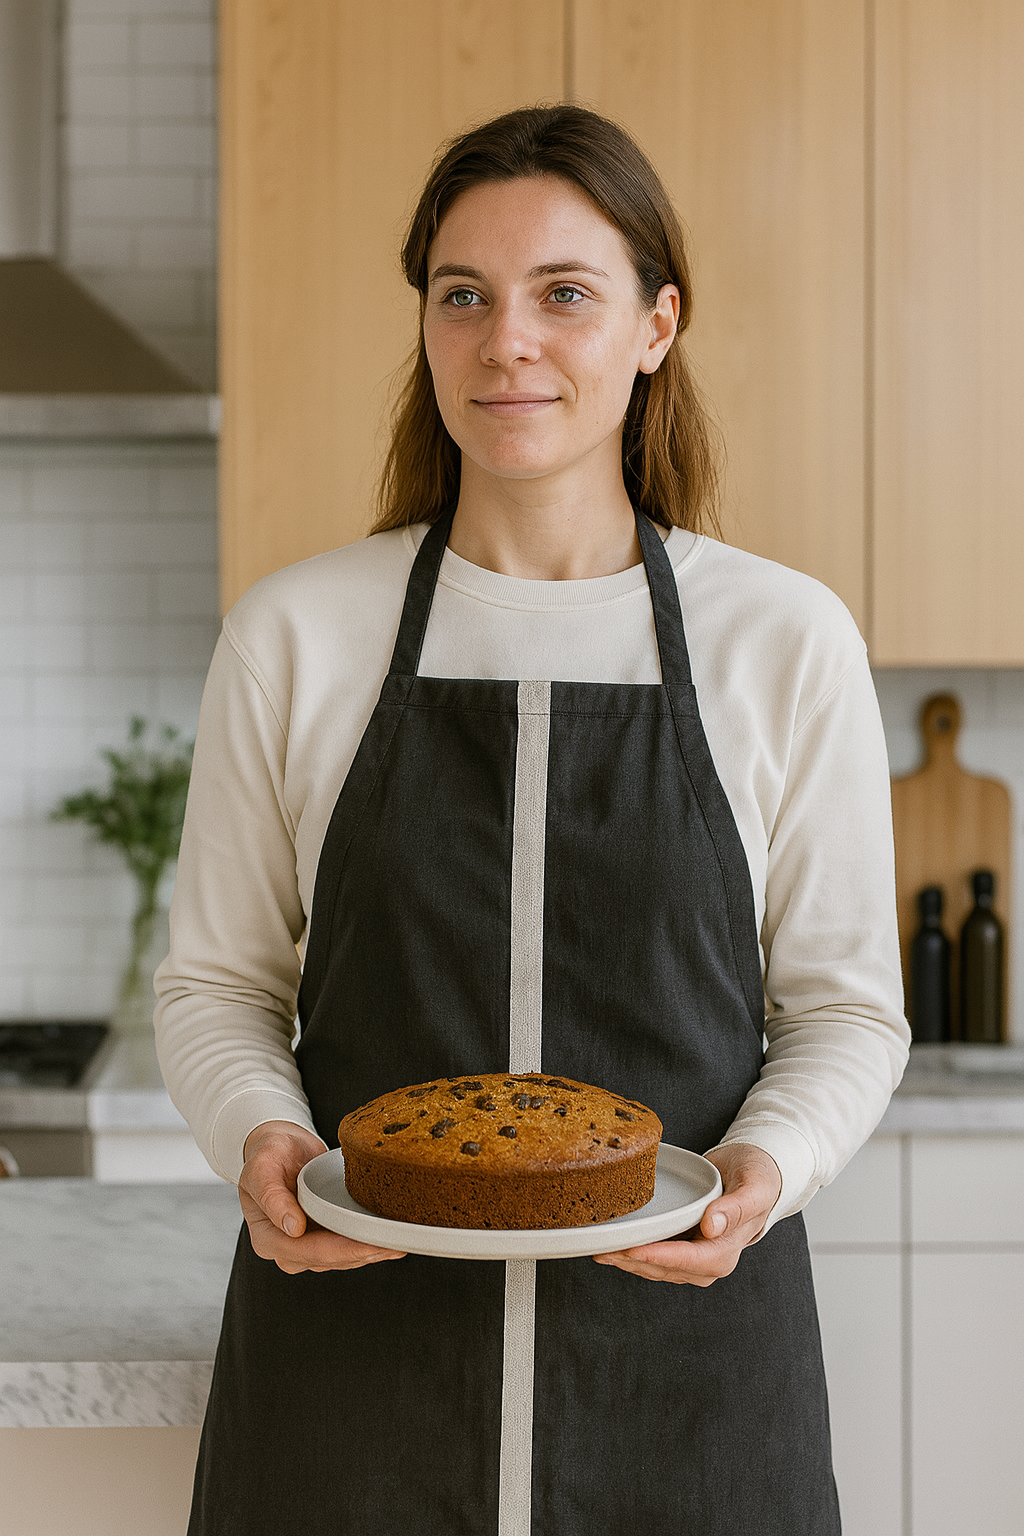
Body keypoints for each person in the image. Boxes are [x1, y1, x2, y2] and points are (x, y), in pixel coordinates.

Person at [156, 103, 909, 1534]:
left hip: (690, 1393)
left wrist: (765, 1170)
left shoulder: (784, 640)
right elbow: (218, 985)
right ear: (428, 325)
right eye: (464, 296)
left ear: (655, 324)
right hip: (349, 1393)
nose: (507, 341)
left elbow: (845, 1012)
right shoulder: (300, 633)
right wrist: (257, 1132)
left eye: (565, 293)